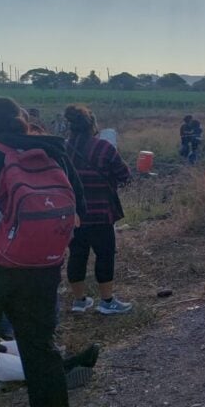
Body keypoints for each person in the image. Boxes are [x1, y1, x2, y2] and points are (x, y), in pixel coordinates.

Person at [0, 97, 87, 407]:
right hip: (40, 267)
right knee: (41, 348)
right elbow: (78, 214)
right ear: (21, 119)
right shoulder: (53, 153)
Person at [64, 105, 134, 316]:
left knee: (76, 255)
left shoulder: (62, 150)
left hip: (73, 215)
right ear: (92, 126)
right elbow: (124, 176)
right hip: (101, 214)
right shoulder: (104, 148)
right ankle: (107, 302)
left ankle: (79, 301)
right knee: (105, 256)